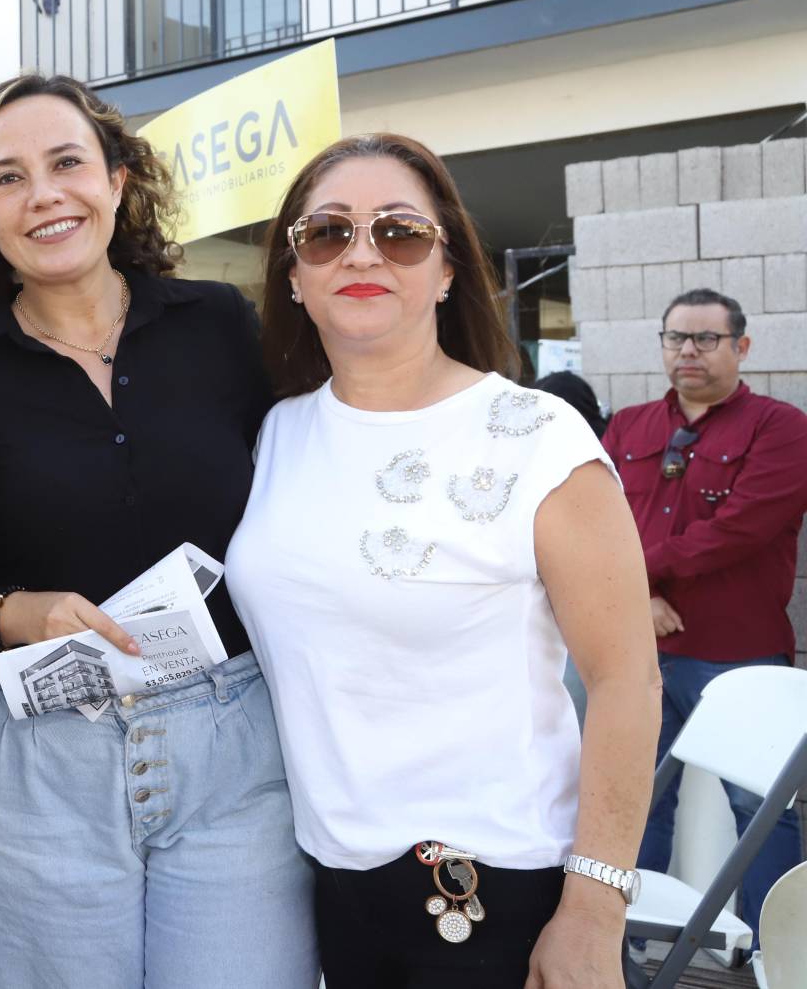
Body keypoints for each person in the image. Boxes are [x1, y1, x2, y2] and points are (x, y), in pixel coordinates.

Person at [0, 74, 312, 989]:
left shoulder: (221, 325)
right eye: (7, 178)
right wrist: (20, 611)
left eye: (66, 163)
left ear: (118, 180)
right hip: (42, 764)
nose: (44, 193)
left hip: (234, 750)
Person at [229, 133, 660, 989]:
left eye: (399, 232)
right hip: (329, 889)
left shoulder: (536, 438)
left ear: (449, 265)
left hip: (492, 893)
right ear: (293, 273)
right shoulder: (278, 433)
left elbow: (626, 680)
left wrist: (594, 908)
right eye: (327, 233)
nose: (362, 252)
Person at [611, 287, 807, 941]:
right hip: (636, 653)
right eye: (676, 337)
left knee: (762, 809)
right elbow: (599, 525)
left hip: (738, 651)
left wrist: (633, 574)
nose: (688, 350)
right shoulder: (629, 426)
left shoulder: (782, 428)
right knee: (635, 802)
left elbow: (739, 530)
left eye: (706, 338)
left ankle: (775, 952)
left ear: (741, 346)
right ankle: (629, 944)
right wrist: (636, 599)